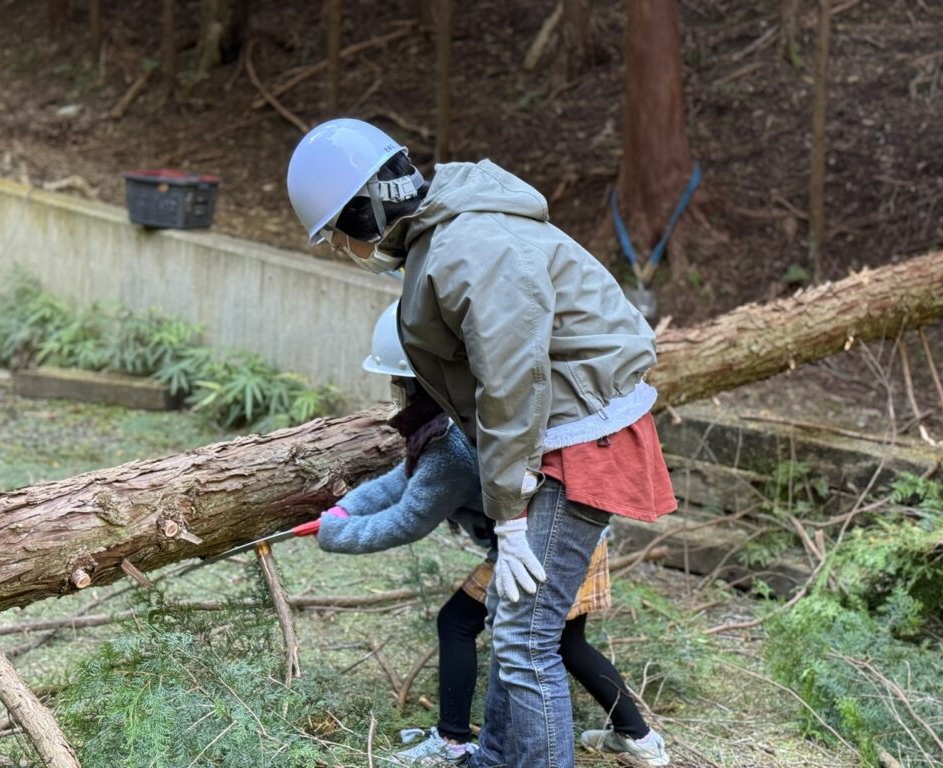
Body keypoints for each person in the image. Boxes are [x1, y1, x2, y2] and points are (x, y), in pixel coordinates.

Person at [287, 119, 677, 768]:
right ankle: (492, 759)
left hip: (581, 437)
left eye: (334, 234)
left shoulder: (470, 247)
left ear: (363, 211)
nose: (338, 249)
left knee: (527, 640)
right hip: (557, 430)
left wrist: (509, 514)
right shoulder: (443, 240)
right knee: (512, 620)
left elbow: (512, 382)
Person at [315, 303, 669, 767]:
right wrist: (344, 510)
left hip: (546, 539)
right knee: (563, 642)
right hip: (546, 536)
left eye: (400, 382)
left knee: (464, 624)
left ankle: (452, 740)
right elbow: (402, 481)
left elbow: (408, 519)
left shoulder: (448, 448)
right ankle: (638, 738)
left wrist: (335, 533)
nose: (397, 392)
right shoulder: (450, 423)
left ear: (421, 382)